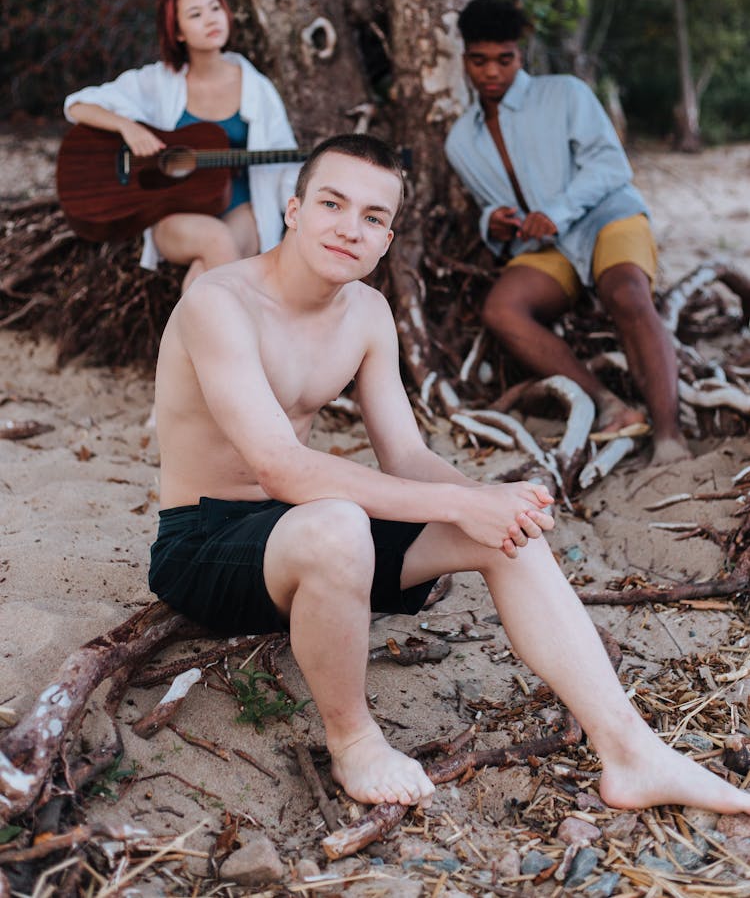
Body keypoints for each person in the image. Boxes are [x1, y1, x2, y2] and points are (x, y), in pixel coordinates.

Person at [148, 132, 749, 814]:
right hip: (204, 543)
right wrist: (456, 503)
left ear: (386, 238)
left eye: (373, 217)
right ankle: (354, 740)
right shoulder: (219, 303)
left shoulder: (369, 313)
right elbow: (278, 465)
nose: (350, 228)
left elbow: (404, 455)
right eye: (332, 204)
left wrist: (485, 502)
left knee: (506, 531)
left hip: (301, 528)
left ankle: (631, 752)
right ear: (293, 209)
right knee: (340, 525)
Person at [445, 0, 689, 465]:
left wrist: (557, 209)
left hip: (608, 217)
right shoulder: (460, 140)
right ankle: (608, 404)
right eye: (480, 61)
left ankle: (669, 438)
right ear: (465, 62)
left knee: (627, 294)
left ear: (521, 56)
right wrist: (491, 220)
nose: (492, 73)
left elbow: (610, 166)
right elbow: (488, 204)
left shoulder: (566, 94)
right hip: (546, 245)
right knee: (502, 308)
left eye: (505, 60)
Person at [63, 0, 299, 292]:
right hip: (174, 212)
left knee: (206, 275)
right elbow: (77, 105)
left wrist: (307, 215)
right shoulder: (159, 81)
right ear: (177, 31)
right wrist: (127, 126)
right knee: (217, 243)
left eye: (215, 8)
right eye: (196, 14)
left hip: (242, 206)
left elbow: (286, 159)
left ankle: (180, 342)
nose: (211, 19)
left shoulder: (258, 88)